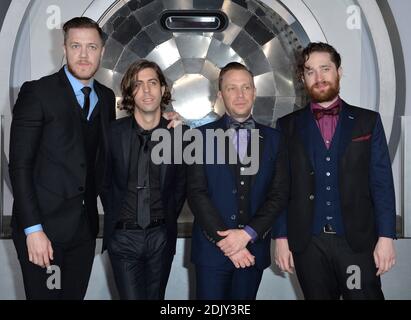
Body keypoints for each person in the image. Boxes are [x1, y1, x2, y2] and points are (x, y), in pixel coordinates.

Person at [273, 42, 396, 300]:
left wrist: (386, 236)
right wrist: (281, 237)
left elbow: (381, 182)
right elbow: (281, 188)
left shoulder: (367, 121)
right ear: (302, 78)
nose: (319, 78)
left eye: (325, 69)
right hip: (308, 244)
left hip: (356, 243)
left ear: (339, 71)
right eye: (310, 71)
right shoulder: (287, 126)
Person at [9, 17, 116, 299]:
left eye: (91, 46)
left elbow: (104, 161)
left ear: (102, 51)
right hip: (43, 232)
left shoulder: (106, 98)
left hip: (83, 232)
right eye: (76, 46)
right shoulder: (37, 92)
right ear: (64, 48)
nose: (84, 55)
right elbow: (19, 165)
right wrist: (33, 230)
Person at [187, 62, 289, 299]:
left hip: (253, 250)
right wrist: (229, 244)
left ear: (254, 92)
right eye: (232, 88)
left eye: (246, 87)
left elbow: (279, 194)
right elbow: (196, 193)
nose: (240, 94)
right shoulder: (198, 138)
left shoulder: (276, 140)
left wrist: (246, 235)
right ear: (220, 95)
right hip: (211, 252)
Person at [100, 60, 187, 300]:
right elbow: (104, 184)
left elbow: (181, 188)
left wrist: (165, 219)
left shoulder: (180, 135)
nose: (147, 91)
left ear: (162, 89)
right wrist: (118, 224)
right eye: (138, 85)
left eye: (152, 83)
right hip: (123, 237)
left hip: (161, 236)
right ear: (129, 92)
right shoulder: (111, 133)